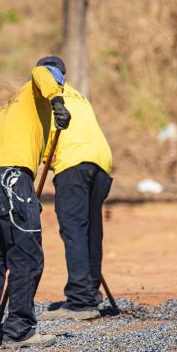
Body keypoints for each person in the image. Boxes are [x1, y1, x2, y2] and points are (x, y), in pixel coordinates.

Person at [0, 58, 71, 348]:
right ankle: (19, 330)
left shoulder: (19, 106)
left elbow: (43, 155)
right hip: (13, 176)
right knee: (28, 254)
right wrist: (58, 101)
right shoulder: (39, 85)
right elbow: (42, 71)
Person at [39, 56, 114, 321]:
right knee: (92, 229)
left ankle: (80, 302)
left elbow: (48, 134)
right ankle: (91, 293)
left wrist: (45, 160)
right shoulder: (79, 96)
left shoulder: (49, 96)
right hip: (102, 163)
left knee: (74, 230)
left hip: (73, 164)